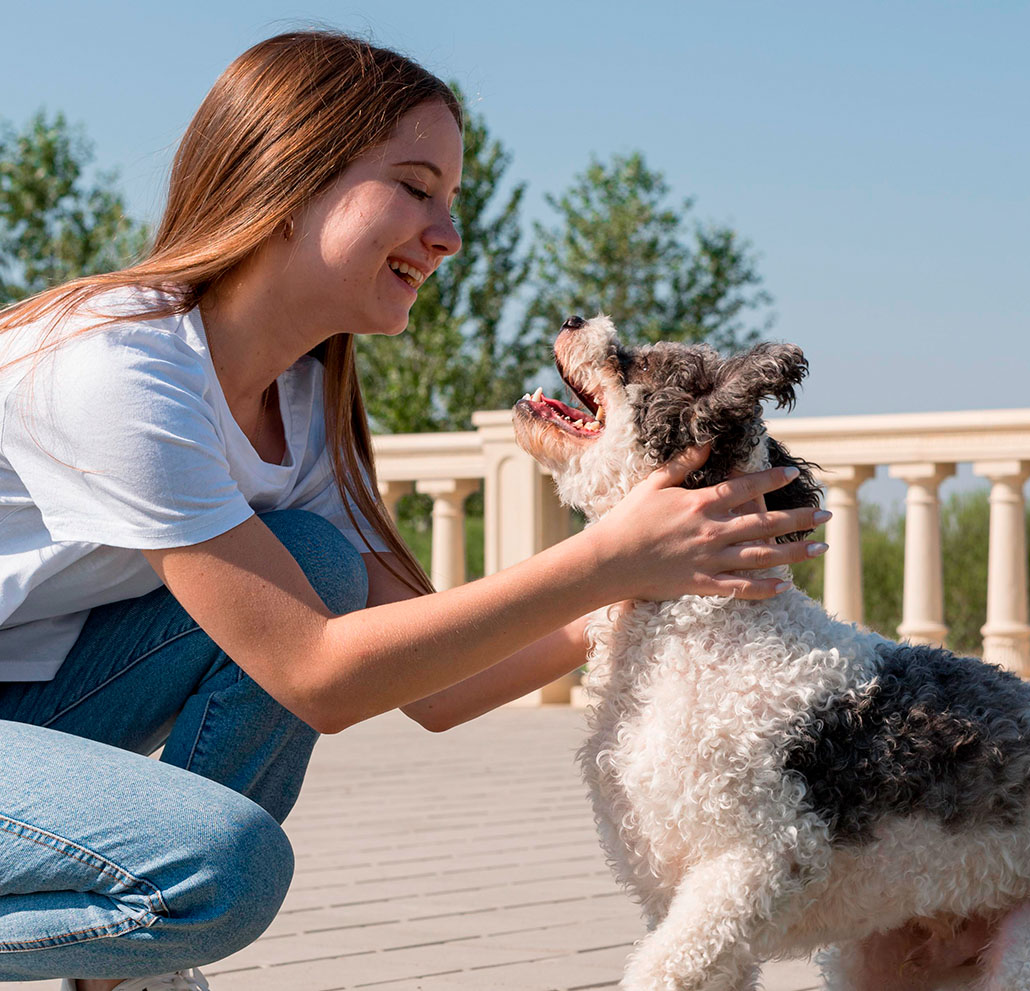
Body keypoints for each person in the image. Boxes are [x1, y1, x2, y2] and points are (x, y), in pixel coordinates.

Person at [0, 29, 840, 991]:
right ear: (287, 175)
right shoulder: (118, 369)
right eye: (413, 186)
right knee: (216, 869)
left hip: (28, 716)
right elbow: (320, 676)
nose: (446, 235)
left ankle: (125, 975)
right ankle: (148, 953)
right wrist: (612, 556)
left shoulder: (302, 402)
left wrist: (672, 582)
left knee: (317, 563)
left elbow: (434, 688)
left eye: (451, 200)